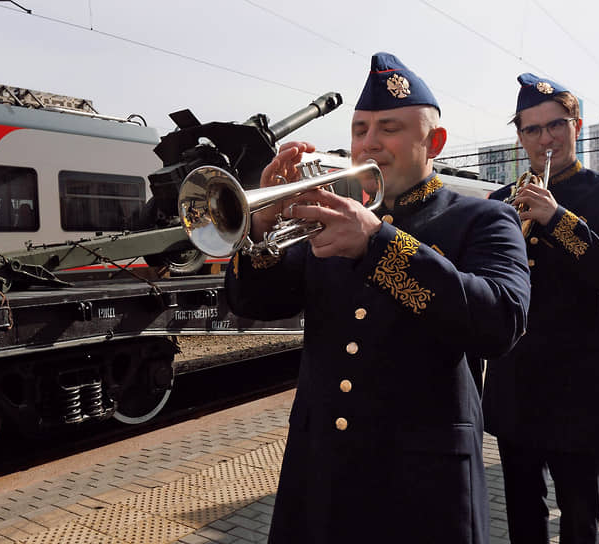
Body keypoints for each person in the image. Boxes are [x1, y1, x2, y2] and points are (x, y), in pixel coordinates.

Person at [224, 52, 531, 544]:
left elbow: (500, 322)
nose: (368, 143)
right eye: (359, 130)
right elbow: (254, 303)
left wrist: (379, 245)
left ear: (434, 142)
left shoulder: (483, 219)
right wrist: (260, 224)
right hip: (323, 471)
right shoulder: (327, 216)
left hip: (424, 484)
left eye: (388, 128)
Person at [482, 74, 599, 544]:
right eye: (531, 130)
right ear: (519, 137)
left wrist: (558, 220)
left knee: (580, 515)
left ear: (576, 125)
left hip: (579, 384)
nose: (545, 139)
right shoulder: (500, 201)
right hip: (516, 379)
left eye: (555, 125)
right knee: (522, 512)